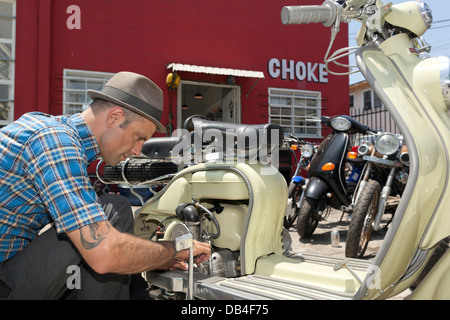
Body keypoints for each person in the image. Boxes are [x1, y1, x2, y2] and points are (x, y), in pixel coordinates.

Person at [0, 71, 211, 299]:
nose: (137, 151)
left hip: (11, 266)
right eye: (138, 137)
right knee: (114, 209)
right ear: (114, 117)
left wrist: (149, 258)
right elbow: (104, 253)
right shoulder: (56, 144)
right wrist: (173, 251)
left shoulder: (47, 128)